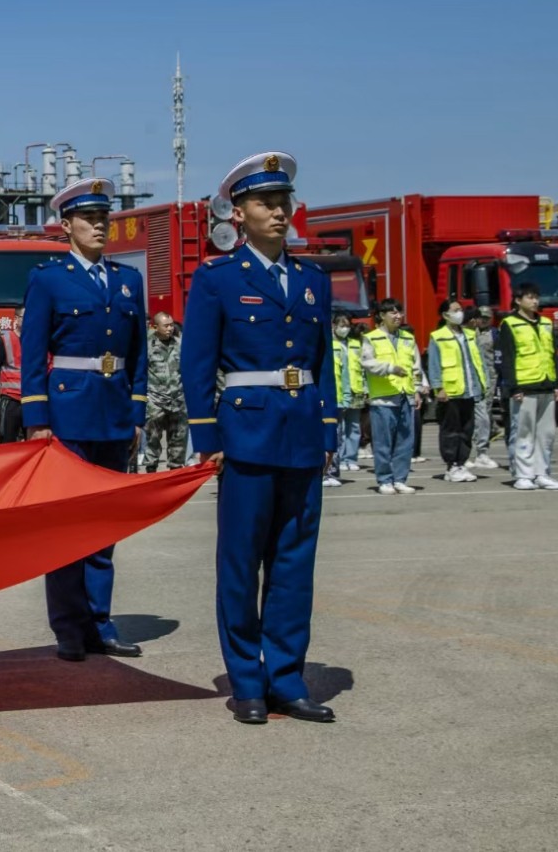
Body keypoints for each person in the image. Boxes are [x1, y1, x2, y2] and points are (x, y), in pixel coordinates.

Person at [181, 151, 338, 725]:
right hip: (245, 430)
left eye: (284, 202)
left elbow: (324, 362)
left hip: (301, 430)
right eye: (265, 203)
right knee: (242, 563)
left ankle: (287, 679)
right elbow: (196, 363)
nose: (278, 212)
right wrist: (206, 435)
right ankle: (247, 680)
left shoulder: (311, 279)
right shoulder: (219, 278)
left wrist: (328, 425)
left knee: (295, 563)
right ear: (239, 213)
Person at [22, 177, 148, 663]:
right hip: (68, 413)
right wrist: (38, 419)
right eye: (89, 218)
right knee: (67, 526)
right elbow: (34, 353)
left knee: (104, 526)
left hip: (114, 413)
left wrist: (136, 411)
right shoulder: (49, 279)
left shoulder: (126, 279)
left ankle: (101, 621)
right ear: (66, 225)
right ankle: (69, 627)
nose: (100, 225)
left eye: (105, 218)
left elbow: (135, 354)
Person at [496, 282, 558, 491]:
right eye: (529, 297)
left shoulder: (545, 323)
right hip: (524, 387)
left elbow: (552, 354)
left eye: (536, 297)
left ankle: (542, 472)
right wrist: (513, 387)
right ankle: (523, 475)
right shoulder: (509, 324)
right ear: (518, 300)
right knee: (523, 431)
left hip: (546, 384)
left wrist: (557, 383)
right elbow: (507, 359)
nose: (535, 301)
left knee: (547, 433)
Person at [361, 298, 426, 495]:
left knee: (405, 441)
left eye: (400, 312)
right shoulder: (371, 338)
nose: (398, 316)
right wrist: (389, 368)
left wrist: (417, 390)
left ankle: (400, 479)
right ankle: (384, 480)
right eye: (393, 312)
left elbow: (416, 366)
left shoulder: (408, 338)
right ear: (382, 316)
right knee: (382, 442)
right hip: (383, 398)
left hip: (405, 395)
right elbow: (367, 362)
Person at [427, 298, 486, 483]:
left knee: (467, 429)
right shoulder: (438, 336)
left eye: (460, 309)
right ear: (445, 315)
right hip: (451, 391)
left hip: (469, 389)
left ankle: (462, 462)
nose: (460, 313)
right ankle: (451, 465)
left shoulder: (470, 334)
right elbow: (434, 364)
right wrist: (439, 387)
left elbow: (479, 361)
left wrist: (482, 384)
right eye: (455, 310)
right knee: (451, 429)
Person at [142, 311, 187, 471]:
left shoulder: (180, 343)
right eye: (166, 326)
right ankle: (151, 472)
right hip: (155, 401)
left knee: (178, 442)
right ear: (156, 327)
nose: (170, 328)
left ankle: (175, 474)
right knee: (153, 440)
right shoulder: (147, 345)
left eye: (171, 325)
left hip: (178, 400)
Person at [328, 310, 367, 484]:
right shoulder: (330, 343)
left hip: (355, 389)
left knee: (354, 426)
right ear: (334, 326)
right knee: (340, 428)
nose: (345, 328)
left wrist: (365, 388)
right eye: (341, 325)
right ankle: (340, 459)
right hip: (337, 392)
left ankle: (351, 458)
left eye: (347, 325)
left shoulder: (355, 344)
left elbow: (363, 368)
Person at [466, 307, 501, 470]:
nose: (484, 320)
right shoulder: (470, 333)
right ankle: (489, 430)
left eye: (487, 317)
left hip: (490, 374)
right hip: (471, 374)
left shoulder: (495, 333)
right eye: (481, 317)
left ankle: (482, 443)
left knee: (485, 408)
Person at [0, 308, 26, 444]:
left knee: (32, 441)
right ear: (16, 319)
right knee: (7, 439)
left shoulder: (36, 338)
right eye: (24, 316)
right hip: (11, 399)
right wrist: (1, 385)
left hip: (32, 398)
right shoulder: (5, 340)